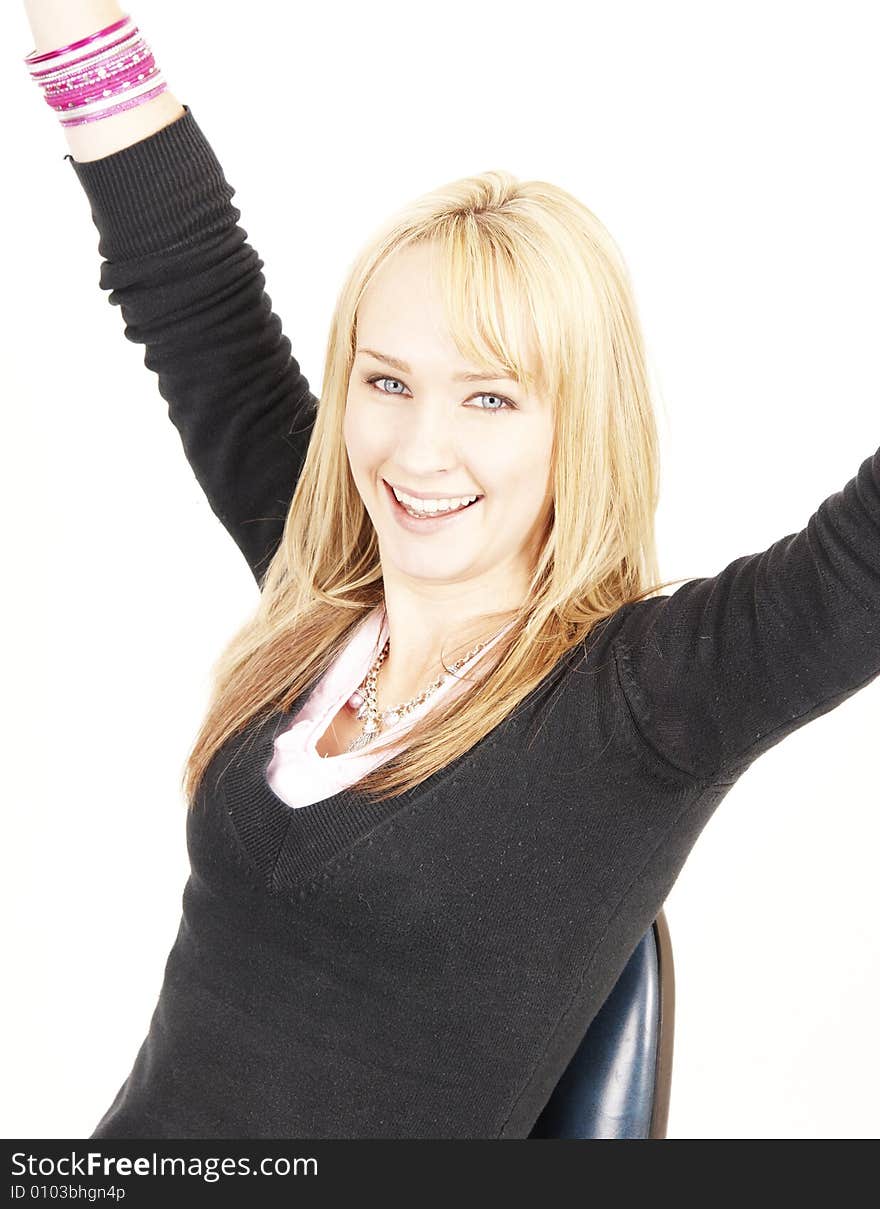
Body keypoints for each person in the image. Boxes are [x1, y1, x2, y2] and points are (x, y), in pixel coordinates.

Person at [22, 3, 880, 1140]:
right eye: (386, 383)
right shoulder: (320, 569)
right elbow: (190, 285)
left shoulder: (645, 701)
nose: (418, 453)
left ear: (579, 422)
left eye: (489, 397)